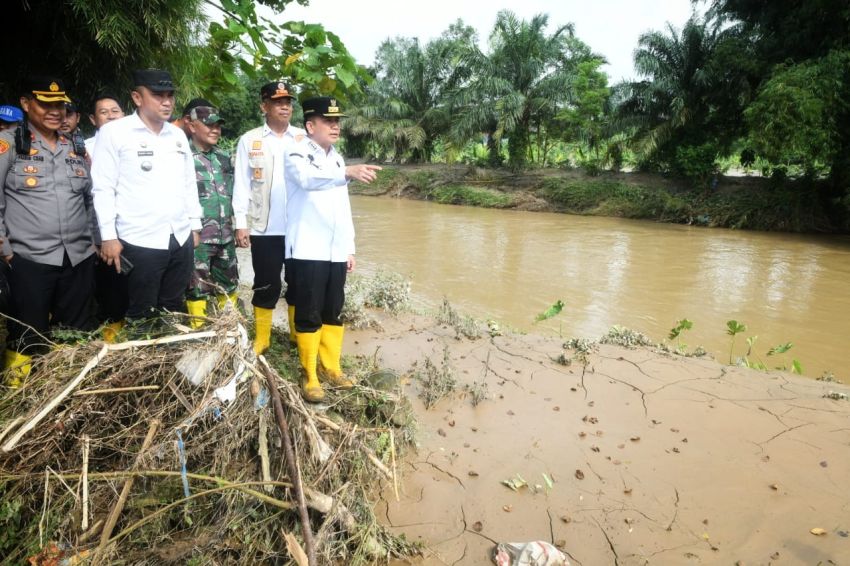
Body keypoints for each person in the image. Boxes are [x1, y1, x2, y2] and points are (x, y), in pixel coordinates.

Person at [284, 96, 381, 402]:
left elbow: (343, 208)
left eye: (337, 121)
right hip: (307, 248)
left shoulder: (337, 158)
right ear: (311, 125)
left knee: (333, 310)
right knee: (309, 312)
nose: (335, 126)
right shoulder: (297, 152)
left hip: (334, 250)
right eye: (328, 121)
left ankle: (332, 368)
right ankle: (310, 374)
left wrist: (348, 248)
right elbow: (307, 180)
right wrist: (347, 173)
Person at [0, 77, 97, 383]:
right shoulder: (9, 145)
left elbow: (89, 200)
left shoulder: (76, 148)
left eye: (60, 105)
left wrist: (93, 243)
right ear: (26, 104)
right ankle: (18, 397)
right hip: (29, 259)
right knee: (26, 333)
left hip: (78, 258)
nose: (55, 111)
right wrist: (6, 251)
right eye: (45, 104)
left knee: (76, 333)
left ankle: (66, 394)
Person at [91, 69, 202, 329]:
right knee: (141, 312)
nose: (166, 102)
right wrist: (108, 235)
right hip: (140, 239)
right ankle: (142, 364)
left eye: (170, 95)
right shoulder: (115, 133)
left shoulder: (176, 135)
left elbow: (188, 182)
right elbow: (103, 187)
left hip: (179, 236)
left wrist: (194, 225)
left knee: (173, 307)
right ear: (137, 98)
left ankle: (169, 361)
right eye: (157, 95)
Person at [232, 81, 305, 354]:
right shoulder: (250, 140)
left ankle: (298, 334)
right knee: (266, 283)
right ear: (264, 106)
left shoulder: (303, 139)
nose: (285, 106)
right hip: (263, 228)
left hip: (298, 227)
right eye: (277, 102)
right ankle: (262, 338)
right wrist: (242, 224)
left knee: (299, 281)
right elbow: (242, 184)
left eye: (288, 102)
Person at [182, 99, 238, 326]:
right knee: (197, 287)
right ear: (192, 125)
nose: (215, 130)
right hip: (198, 237)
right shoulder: (182, 156)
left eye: (218, 125)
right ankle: (198, 331)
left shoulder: (224, 157)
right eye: (209, 125)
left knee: (230, 282)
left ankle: (230, 329)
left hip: (226, 234)